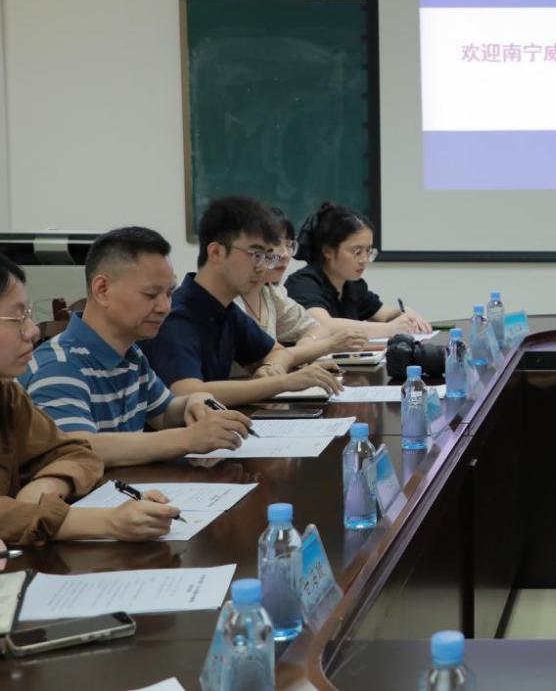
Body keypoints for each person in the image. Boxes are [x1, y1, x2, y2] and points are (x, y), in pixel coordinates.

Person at [21, 227, 253, 467]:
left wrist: (195, 400)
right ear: (102, 290)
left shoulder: (131, 355)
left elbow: (164, 413)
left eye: (169, 293)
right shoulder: (59, 365)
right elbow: (78, 448)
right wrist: (186, 438)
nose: (164, 307)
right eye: (151, 294)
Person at [0, 253, 179, 546]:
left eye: (28, 314)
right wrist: (108, 521)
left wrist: (48, 485)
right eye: (17, 318)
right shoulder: (57, 364)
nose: (32, 330)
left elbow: (77, 452)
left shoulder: (7, 395)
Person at [142, 196, 344, 406]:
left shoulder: (226, 309)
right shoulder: (176, 314)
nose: (262, 266)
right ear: (216, 252)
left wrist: (271, 369)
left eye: (268, 256)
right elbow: (187, 392)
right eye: (255, 254)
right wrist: (282, 382)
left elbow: (277, 352)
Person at [231, 207, 368, 376]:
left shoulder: (271, 293)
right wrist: (328, 345)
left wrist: (306, 347)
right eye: (275, 245)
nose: (285, 254)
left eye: (289, 245)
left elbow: (316, 328)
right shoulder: (230, 300)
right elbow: (262, 361)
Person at [285, 202, 431, 335]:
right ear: (328, 251)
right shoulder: (302, 284)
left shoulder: (352, 285)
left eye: (368, 251)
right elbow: (323, 325)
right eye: (357, 252)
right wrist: (388, 329)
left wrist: (403, 313)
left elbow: (385, 314)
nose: (364, 260)